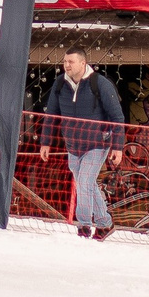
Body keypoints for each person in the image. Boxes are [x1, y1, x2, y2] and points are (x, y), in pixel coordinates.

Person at [40, 49, 124, 239]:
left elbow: (117, 117)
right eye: (65, 62)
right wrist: (45, 142)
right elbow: (51, 114)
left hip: (97, 143)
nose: (67, 65)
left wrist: (118, 147)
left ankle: (84, 226)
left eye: (71, 61)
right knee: (87, 184)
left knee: (84, 182)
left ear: (83, 63)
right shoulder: (60, 83)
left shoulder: (100, 84)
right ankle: (105, 223)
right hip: (73, 145)